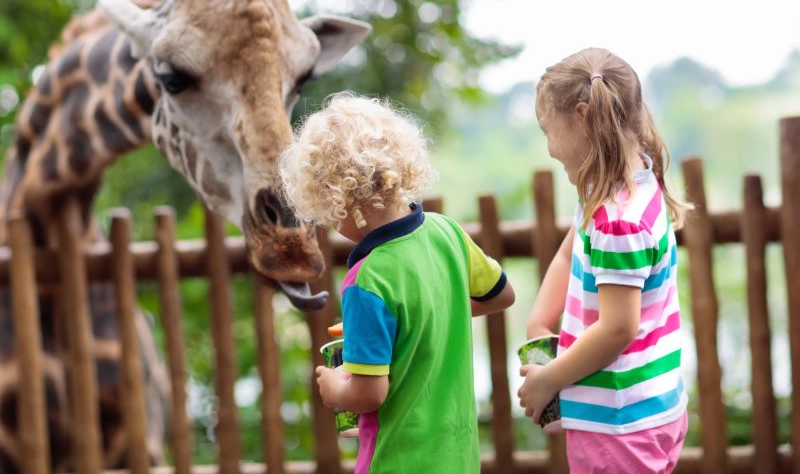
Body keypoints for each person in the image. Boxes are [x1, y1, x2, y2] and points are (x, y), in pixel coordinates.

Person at [279, 92, 515, 474]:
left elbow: (368, 393)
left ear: (342, 199)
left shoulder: (367, 280)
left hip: (398, 461)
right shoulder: (446, 232)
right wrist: (432, 318)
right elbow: (502, 295)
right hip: (458, 457)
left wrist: (333, 384)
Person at [518, 48, 690, 473]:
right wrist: (539, 322)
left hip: (619, 424)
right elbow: (567, 251)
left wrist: (550, 379)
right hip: (650, 406)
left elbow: (617, 328)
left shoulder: (618, 222)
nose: (550, 149)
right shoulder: (622, 186)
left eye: (548, 131)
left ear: (580, 117)